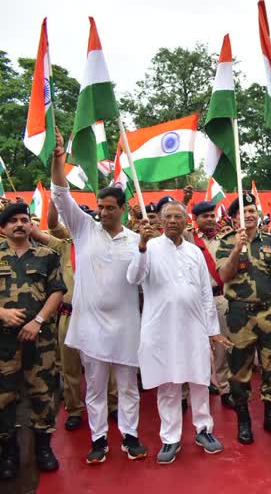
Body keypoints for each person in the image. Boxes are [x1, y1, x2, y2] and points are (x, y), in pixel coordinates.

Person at [50, 129, 147, 464]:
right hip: (90, 326)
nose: (103, 212)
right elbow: (61, 194)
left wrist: (146, 246)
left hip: (126, 327)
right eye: (100, 207)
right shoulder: (83, 229)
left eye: (109, 207)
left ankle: (131, 437)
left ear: (122, 208)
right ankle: (99, 440)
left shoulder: (136, 239)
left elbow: (141, 278)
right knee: (94, 388)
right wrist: (58, 158)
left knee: (128, 387)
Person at [127, 201, 232, 464]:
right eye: (168, 217)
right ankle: (170, 438)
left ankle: (203, 430)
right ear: (161, 222)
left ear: (187, 221)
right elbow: (134, 278)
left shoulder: (195, 252)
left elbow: (206, 294)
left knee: (199, 380)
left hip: (194, 327)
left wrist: (212, 331)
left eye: (178, 216)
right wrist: (140, 246)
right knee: (169, 382)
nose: (173, 220)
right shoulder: (148, 247)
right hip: (162, 328)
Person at [36, 203, 119, 431]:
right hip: (70, 316)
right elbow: (50, 225)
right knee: (70, 367)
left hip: (101, 316)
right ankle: (74, 409)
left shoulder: (109, 246)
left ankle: (113, 405)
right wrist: (54, 199)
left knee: (108, 364)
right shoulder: (64, 246)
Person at [216, 193, 271, 444]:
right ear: (234, 217)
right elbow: (224, 276)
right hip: (240, 314)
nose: (248, 215)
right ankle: (244, 421)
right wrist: (237, 248)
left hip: (269, 312)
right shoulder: (225, 241)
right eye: (243, 211)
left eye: (252, 211)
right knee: (240, 371)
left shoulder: (269, 240)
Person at [0, 203, 66, 479]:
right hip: (4, 343)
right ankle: (8, 452)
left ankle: (43, 447)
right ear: (2, 228)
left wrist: (37, 321)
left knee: (43, 392)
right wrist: (1, 312)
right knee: (4, 397)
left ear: (30, 225)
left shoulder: (47, 255)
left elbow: (57, 291)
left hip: (40, 339)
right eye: (12, 220)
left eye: (24, 220)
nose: (19, 224)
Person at [188, 200, 233, 408]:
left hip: (219, 298)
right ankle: (203, 383)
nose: (209, 219)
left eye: (211, 215)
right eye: (204, 216)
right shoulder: (188, 239)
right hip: (194, 301)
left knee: (222, 345)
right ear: (195, 219)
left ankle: (225, 388)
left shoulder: (225, 239)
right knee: (197, 346)